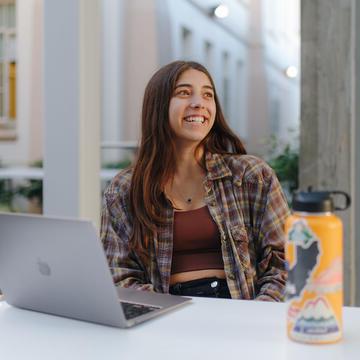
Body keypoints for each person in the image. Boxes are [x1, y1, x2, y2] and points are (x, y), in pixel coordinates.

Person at [101, 60, 290, 301]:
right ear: (158, 105)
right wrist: (165, 316)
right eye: (184, 93)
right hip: (166, 314)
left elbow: (286, 261)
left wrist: (256, 314)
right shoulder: (124, 189)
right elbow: (118, 274)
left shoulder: (251, 176)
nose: (199, 103)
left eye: (207, 95)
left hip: (241, 311)